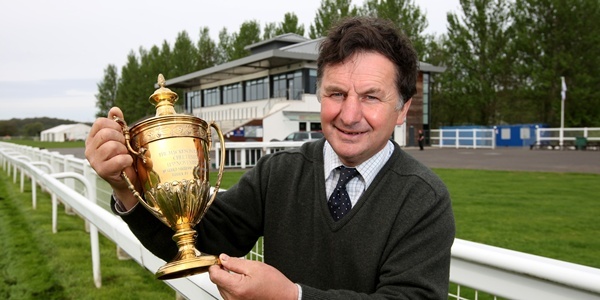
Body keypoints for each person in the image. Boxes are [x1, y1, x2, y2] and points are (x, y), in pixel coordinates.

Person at [85, 16, 455, 299]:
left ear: (403, 108)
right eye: (337, 93)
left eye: (371, 97)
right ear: (319, 93)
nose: (350, 114)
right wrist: (128, 188)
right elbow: (193, 244)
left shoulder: (423, 198)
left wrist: (292, 296)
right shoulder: (279, 173)